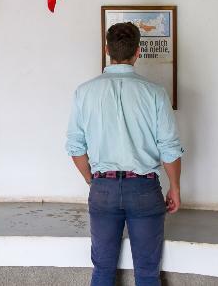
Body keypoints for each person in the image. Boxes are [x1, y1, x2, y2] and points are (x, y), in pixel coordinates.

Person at [65, 22, 184, 286]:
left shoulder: (84, 92)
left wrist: (92, 180)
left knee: (103, 270)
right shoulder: (154, 93)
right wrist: (174, 187)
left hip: (103, 187)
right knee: (147, 273)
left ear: (107, 49)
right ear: (138, 52)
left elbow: (75, 148)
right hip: (144, 188)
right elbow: (169, 148)